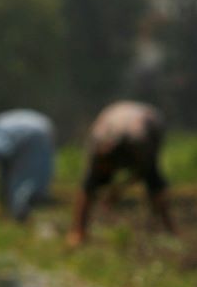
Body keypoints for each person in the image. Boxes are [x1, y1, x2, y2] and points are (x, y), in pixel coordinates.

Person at [67, 100, 174, 247]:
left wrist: (118, 190)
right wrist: (115, 190)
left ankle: (168, 228)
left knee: (154, 183)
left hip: (147, 120)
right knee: (89, 185)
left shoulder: (140, 143)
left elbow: (142, 171)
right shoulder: (98, 142)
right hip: (113, 117)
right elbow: (87, 186)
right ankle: (78, 232)